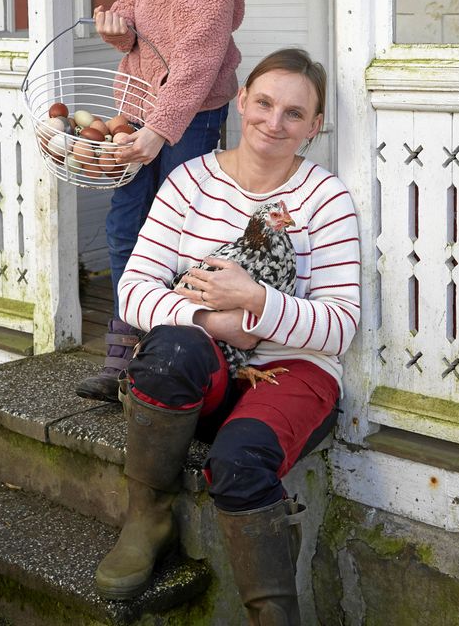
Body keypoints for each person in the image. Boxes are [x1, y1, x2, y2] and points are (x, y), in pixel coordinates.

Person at [94, 49, 360, 623]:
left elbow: (340, 324)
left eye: (295, 113)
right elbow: (133, 289)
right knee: (170, 351)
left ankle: (274, 615)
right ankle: (148, 517)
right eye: (264, 103)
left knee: (239, 463)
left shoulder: (326, 198)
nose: (274, 121)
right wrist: (214, 322)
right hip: (206, 367)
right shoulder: (190, 179)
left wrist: (257, 303)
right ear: (241, 101)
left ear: (314, 127)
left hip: (292, 369)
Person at [76, 0, 252, 402]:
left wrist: (161, 128)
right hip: (139, 101)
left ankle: (173, 364)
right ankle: (124, 355)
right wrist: (117, 25)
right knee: (127, 225)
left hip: (191, 112)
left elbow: (203, 45)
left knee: (182, 239)